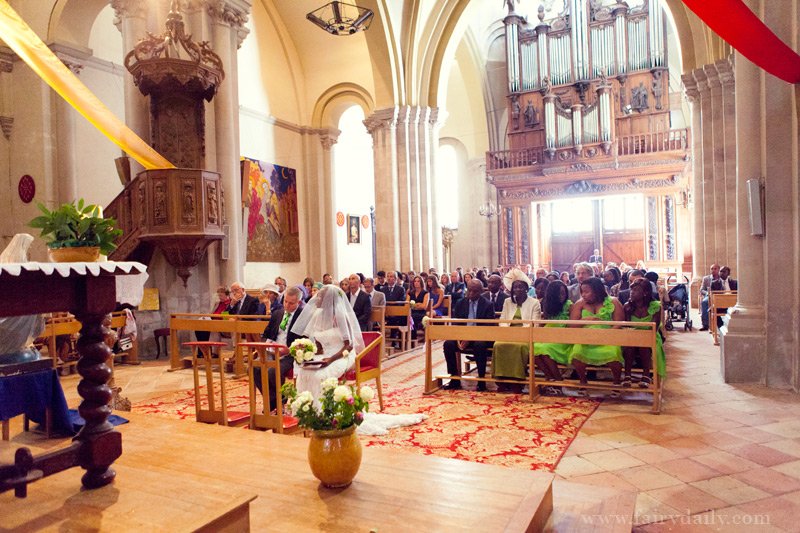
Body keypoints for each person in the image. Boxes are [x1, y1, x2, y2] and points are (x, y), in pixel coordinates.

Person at [289, 285, 365, 402]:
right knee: (304, 371)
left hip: (343, 355)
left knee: (320, 375)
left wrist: (331, 359)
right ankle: (306, 406)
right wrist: (310, 354)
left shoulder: (340, 316)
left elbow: (349, 345)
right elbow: (317, 339)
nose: (315, 299)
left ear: (328, 300)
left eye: (319, 297)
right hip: (325, 354)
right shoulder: (318, 315)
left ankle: (323, 408)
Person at [568, 277, 625, 391]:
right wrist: (586, 320)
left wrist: (606, 335)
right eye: (582, 292)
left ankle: (617, 382)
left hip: (609, 338)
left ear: (597, 290)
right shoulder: (579, 304)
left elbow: (619, 322)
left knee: (613, 353)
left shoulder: (613, 301)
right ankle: (583, 381)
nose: (583, 295)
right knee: (577, 352)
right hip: (586, 339)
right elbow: (572, 325)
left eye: (586, 292)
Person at [256, 286, 305, 411]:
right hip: (271, 349)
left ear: (298, 303)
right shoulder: (278, 313)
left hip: (290, 353)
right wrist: (263, 347)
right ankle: (274, 402)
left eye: (291, 303)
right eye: (285, 301)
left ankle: (279, 403)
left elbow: (305, 340)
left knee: (273, 371)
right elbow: (266, 333)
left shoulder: (303, 316)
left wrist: (289, 350)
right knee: (254, 368)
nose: (287, 305)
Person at [492, 269, 541, 391]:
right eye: (515, 287)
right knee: (498, 345)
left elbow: (535, 323)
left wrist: (520, 333)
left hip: (526, 334)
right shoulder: (507, 301)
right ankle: (501, 380)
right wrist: (507, 332)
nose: (518, 289)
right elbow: (503, 319)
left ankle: (518, 380)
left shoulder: (534, 303)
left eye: (520, 287)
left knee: (519, 347)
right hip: (509, 332)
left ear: (526, 288)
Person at [442, 280, 496, 390]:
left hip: (481, 337)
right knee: (448, 344)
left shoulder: (487, 305)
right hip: (463, 336)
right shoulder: (460, 303)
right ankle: (454, 378)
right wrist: (461, 337)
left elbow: (488, 327)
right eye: (469, 290)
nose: (471, 294)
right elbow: (456, 323)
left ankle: (481, 380)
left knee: (479, 345)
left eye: (475, 291)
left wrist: (470, 337)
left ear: (481, 291)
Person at [623, 278, 665, 388]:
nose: (632, 292)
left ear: (645, 293)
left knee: (643, 345)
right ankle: (627, 375)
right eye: (631, 290)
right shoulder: (627, 306)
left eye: (636, 290)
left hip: (651, 335)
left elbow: (654, 327)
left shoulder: (655, 306)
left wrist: (641, 336)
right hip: (632, 335)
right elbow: (627, 325)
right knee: (629, 346)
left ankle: (646, 374)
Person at [534, 280, 573, 383]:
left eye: (564, 293)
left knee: (545, 350)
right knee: (534, 349)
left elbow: (572, 324)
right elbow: (545, 321)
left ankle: (558, 379)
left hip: (563, 336)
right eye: (559, 294)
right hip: (549, 333)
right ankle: (549, 377)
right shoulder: (548, 305)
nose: (562, 296)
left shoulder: (569, 305)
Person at [699, 263, 721, 331]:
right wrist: (707, 293)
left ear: (718, 270)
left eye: (715, 269)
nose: (713, 270)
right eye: (712, 269)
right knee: (704, 302)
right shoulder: (706, 278)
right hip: (709, 296)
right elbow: (702, 289)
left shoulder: (722, 278)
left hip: (720, 296)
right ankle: (705, 324)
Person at [407, 275, 429, 340]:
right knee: (405, 318)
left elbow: (424, 306)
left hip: (421, 313)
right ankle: (406, 339)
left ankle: (413, 338)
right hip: (411, 312)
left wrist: (413, 305)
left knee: (413, 318)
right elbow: (407, 304)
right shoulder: (410, 293)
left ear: (421, 283)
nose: (416, 283)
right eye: (415, 281)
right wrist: (418, 304)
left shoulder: (425, 293)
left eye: (418, 281)